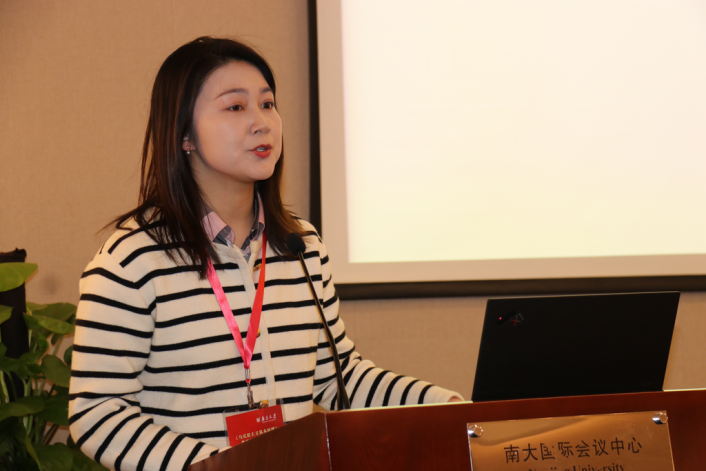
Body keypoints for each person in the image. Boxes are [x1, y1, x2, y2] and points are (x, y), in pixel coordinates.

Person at [69, 36, 462, 471]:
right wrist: (218, 466)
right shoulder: (132, 261)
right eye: (236, 107)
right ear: (184, 135)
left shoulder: (300, 246)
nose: (262, 123)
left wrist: (444, 408)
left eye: (268, 104)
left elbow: (339, 377)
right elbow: (96, 413)